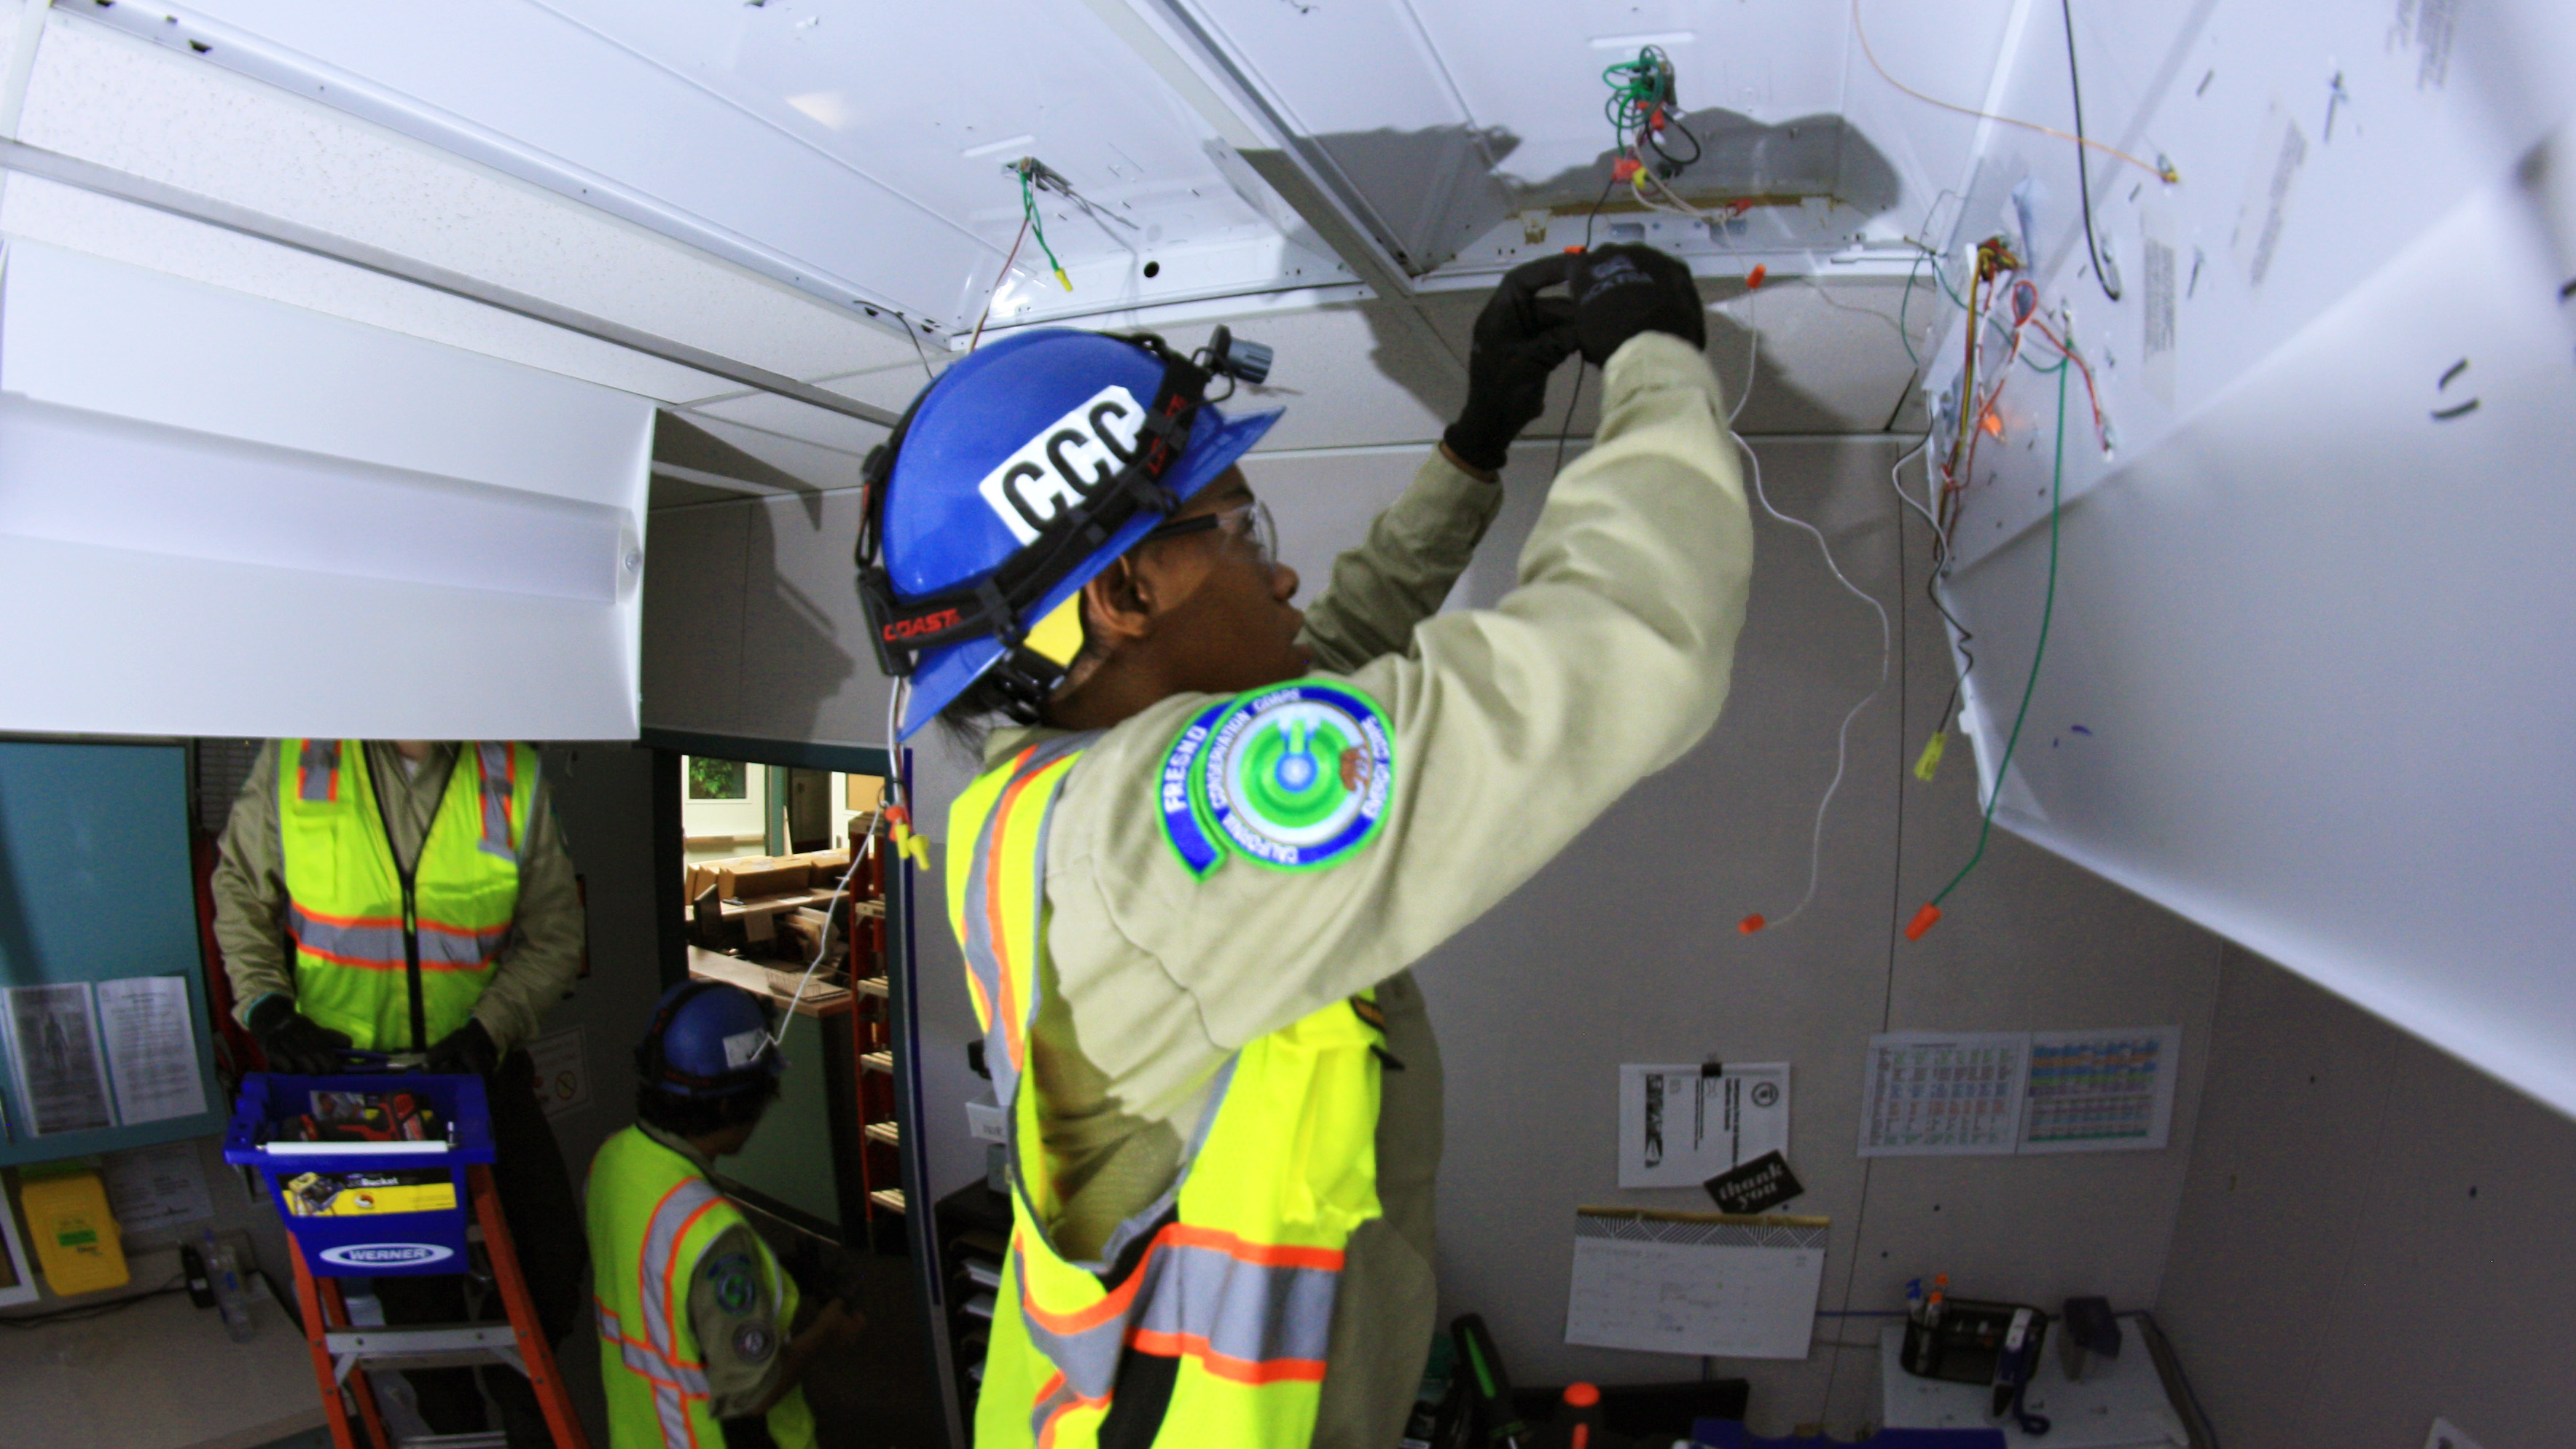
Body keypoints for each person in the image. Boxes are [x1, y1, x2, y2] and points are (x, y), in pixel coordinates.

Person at [852, 243, 1753, 1447]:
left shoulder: (1052, 803)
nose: (1276, 565)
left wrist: (1475, 446)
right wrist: (1657, 364)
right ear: (1123, 597)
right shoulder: (1150, 852)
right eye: (1239, 529)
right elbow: (1633, 643)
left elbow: (1313, 674)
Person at [211, 739, 588, 1445]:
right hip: (352, 1091)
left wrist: (491, 1026)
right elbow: (239, 891)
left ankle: (517, 1384)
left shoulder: (510, 771)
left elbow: (556, 932)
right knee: (413, 1290)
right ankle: (453, 1421)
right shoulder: (298, 762)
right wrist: (265, 1005)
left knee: (554, 1253)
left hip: (480, 1071)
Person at [589, 980, 864, 1449]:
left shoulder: (612, 1161)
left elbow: (659, 1291)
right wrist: (826, 1332)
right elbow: (751, 1395)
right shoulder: (713, 1235)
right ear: (728, 1103)